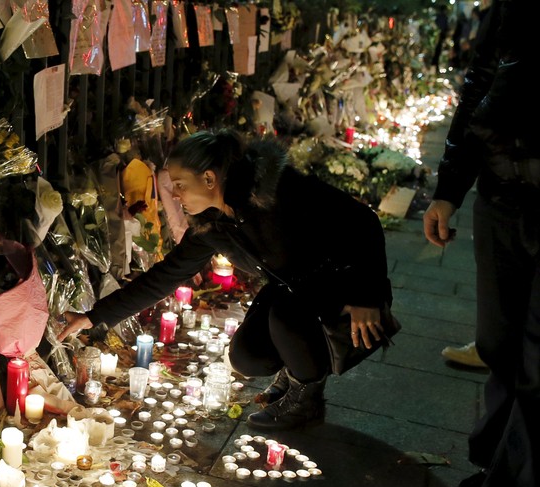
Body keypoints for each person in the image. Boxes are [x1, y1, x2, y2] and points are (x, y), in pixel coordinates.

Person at [56, 129, 393, 430]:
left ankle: (307, 399)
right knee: (247, 357)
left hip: (343, 286)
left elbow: (363, 222)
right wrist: (94, 316)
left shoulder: (280, 190)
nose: (173, 194)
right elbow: (165, 277)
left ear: (208, 179)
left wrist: (367, 295)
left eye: (180, 184)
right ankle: (294, 371)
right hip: (292, 291)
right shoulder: (211, 226)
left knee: (286, 315)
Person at [423, 0, 540, 487]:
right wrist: (450, 187)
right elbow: (480, 85)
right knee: (499, 345)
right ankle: (495, 466)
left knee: (538, 368)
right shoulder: (511, 11)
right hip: (502, 196)